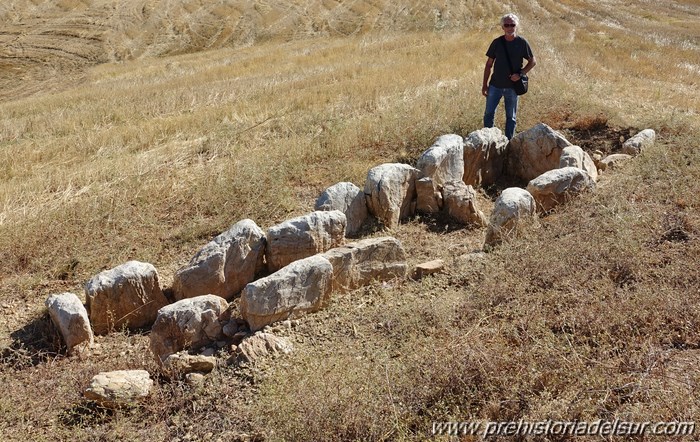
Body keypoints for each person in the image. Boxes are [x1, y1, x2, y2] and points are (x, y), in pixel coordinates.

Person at [482, 13, 537, 140]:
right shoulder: (497, 43)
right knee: (488, 115)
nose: (509, 27)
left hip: (513, 88)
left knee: (511, 118)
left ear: (516, 26)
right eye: (506, 25)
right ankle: (488, 142)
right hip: (495, 86)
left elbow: (532, 61)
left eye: (512, 25)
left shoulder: (522, 42)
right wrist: (485, 85)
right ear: (502, 27)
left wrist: (521, 73)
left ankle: (509, 144)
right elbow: (488, 65)